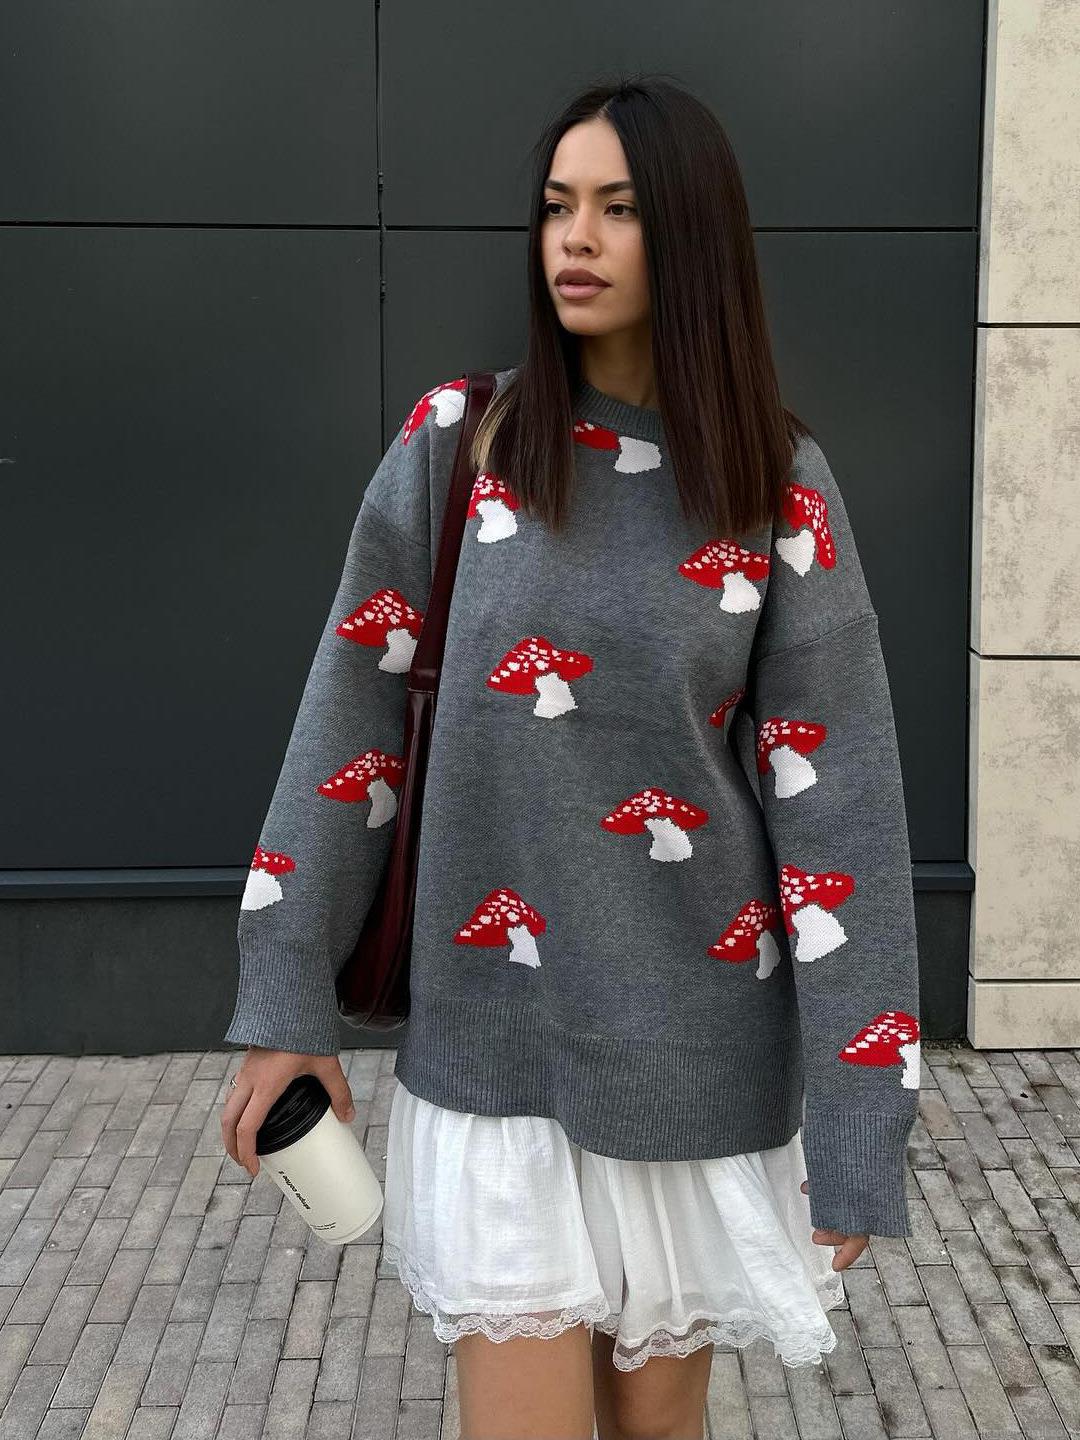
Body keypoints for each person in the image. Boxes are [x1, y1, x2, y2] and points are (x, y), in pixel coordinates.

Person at [221, 74, 920, 1440]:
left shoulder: (777, 488)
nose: (574, 239)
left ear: (694, 236)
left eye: (618, 208)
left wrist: (860, 1124)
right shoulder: (461, 444)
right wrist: (284, 1000)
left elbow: (843, 817)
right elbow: (348, 724)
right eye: (556, 206)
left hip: (695, 1062)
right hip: (493, 1058)